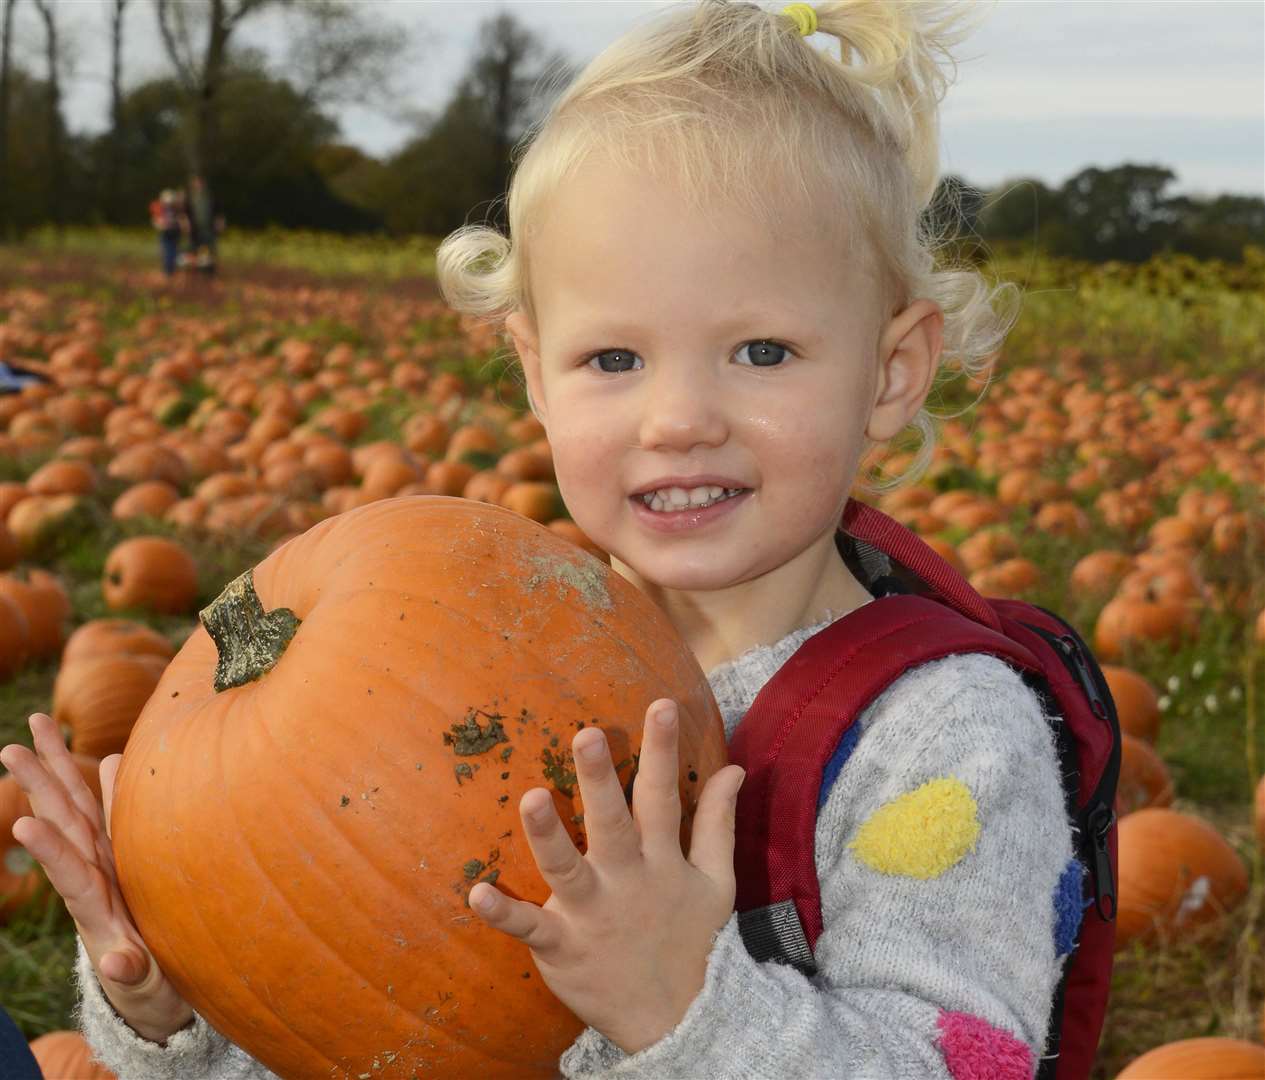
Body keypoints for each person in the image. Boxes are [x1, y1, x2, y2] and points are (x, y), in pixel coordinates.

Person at [1, 3, 1075, 1077]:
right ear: (531, 372)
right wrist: (174, 995)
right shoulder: (475, 656)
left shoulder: (937, 739)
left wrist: (683, 1009)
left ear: (889, 372)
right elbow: (380, 1024)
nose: (677, 418)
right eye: (614, 359)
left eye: (760, 349)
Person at [149, 189, 182, 277]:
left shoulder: (176, 209)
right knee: (166, 251)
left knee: (174, 251)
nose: (168, 204)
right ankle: (167, 271)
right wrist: (161, 224)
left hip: (174, 232)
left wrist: (175, 223)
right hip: (165, 233)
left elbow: (179, 220)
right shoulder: (159, 209)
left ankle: (172, 270)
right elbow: (155, 221)